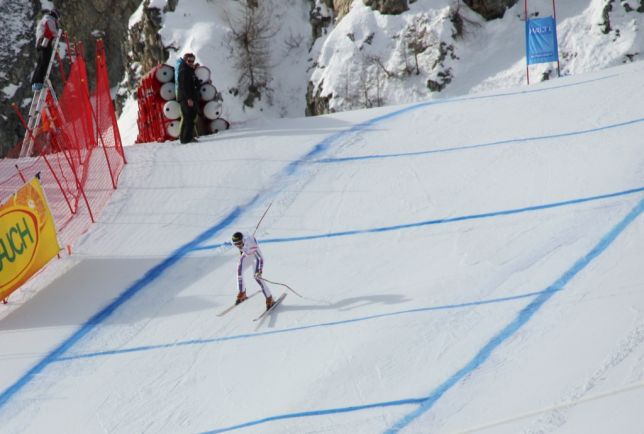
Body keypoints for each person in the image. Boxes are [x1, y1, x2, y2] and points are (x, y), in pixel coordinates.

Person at [231, 231, 275, 310]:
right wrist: (242, 250)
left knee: (257, 277)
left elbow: (260, 258)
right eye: (236, 244)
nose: (238, 246)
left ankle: (269, 298)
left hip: (255, 257)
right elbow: (242, 248)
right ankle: (242, 292)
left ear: (243, 240)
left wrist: (259, 270)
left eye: (239, 243)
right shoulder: (241, 242)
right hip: (247, 255)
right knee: (239, 269)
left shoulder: (251, 244)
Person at [32, 9, 60, 91]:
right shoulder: (49, 19)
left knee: (41, 63)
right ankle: (38, 82)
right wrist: (57, 35)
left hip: (41, 43)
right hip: (45, 42)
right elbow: (52, 31)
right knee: (44, 62)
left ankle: (36, 82)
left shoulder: (44, 20)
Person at [176, 52, 200, 144]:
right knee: (188, 117)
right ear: (185, 60)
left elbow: (194, 82)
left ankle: (185, 138)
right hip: (186, 98)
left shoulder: (189, 70)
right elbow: (183, 85)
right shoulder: (184, 70)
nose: (191, 62)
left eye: (193, 60)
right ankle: (186, 138)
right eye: (189, 61)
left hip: (190, 97)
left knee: (191, 117)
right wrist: (188, 98)